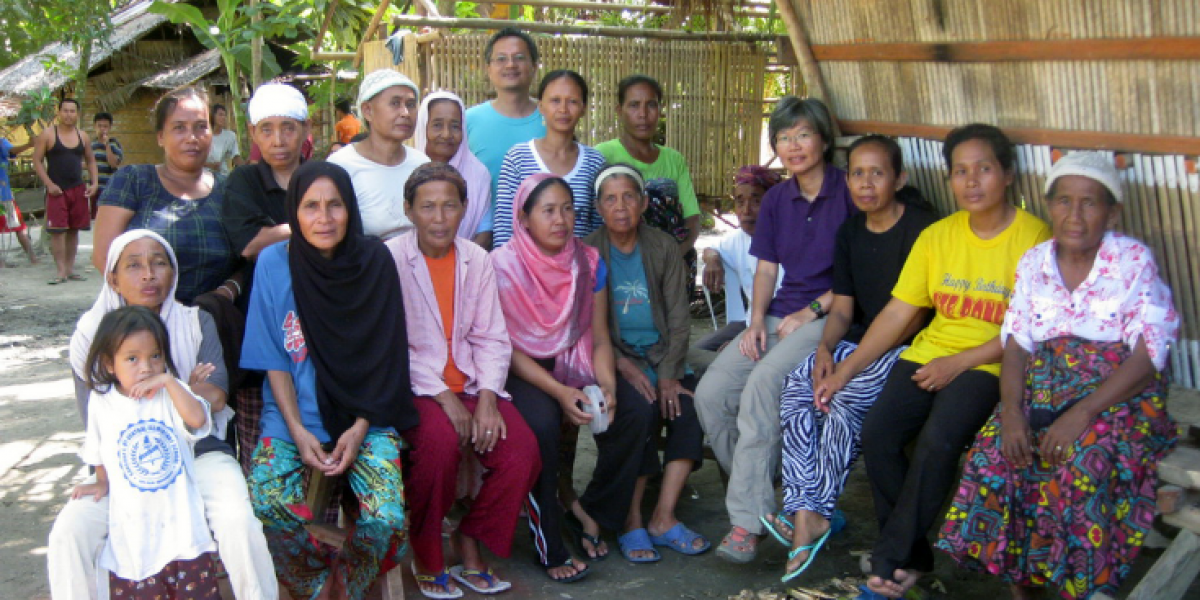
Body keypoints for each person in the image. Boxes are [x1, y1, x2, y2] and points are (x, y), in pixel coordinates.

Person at [811, 124, 1050, 598]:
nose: (972, 180)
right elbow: (899, 312)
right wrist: (846, 369)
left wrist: (959, 364)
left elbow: (1029, 329)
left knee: (938, 440)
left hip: (991, 362)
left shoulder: (1033, 238)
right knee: (878, 434)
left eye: (984, 168)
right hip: (928, 354)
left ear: (1007, 175)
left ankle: (889, 562)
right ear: (949, 179)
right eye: (960, 171)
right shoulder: (938, 235)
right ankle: (913, 556)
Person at [936, 152, 1179, 600]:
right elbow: (1017, 344)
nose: (1075, 214)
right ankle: (1024, 590)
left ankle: (1082, 588)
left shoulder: (1130, 261)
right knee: (997, 456)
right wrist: (1011, 413)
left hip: (1117, 396)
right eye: (1064, 201)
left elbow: (1147, 355)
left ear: (1112, 212)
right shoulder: (1034, 264)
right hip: (1043, 390)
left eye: (1090, 203)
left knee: (1080, 464)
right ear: (1049, 206)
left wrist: (1082, 414)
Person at [49, 229, 276, 600]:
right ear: (113, 277)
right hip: (127, 460)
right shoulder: (93, 335)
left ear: (173, 273)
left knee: (238, 521)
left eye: (159, 263)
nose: (148, 274)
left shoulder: (194, 322)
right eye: (134, 265)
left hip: (200, 451)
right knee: (69, 532)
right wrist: (183, 387)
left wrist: (166, 386)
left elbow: (215, 398)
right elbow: (99, 413)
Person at [763, 136, 937, 582]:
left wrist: (845, 369)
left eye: (877, 173)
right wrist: (824, 351)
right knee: (800, 388)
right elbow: (842, 306)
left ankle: (813, 513)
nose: (865, 183)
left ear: (899, 178)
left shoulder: (922, 229)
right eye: (857, 173)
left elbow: (912, 316)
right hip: (854, 342)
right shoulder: (851, 231)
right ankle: (806, 510)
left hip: (905, 347)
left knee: (843, 401)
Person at [242, 161, 414, 599]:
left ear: (350, 209)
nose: (324, 218)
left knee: (387, 519)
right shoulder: (273, 264)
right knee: (266, 504)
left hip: (366, 413)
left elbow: (385, 353)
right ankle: (317, 583)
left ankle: (348, 583)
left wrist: (358, 429)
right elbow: (274, 358)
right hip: (293, 415)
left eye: (335, 205)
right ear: (293, 213)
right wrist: (298, 431)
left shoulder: (373, 260)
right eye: (310, 206)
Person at [694, 96, 855, 563]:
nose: (794, 145)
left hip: (828, 316)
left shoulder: (847, 192)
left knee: (762, 387)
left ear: (823, 138)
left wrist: (810, 310)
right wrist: (756, 320)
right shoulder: (779, 199)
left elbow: (857, 277)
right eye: (784, 137)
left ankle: (746, 523)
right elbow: (765, 268)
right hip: (779, 314)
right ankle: (779, 501)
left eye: (803, 134)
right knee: (712, 395)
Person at [387, 163, 540, 598]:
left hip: (474, 384)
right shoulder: (391, 258)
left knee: (522, 452)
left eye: (449, 206)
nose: (439, 218)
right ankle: (427, 550)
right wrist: (442, 397)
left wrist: (488, 399)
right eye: (428, 207)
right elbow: (392, 344)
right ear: (409, 211)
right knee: (437, 446)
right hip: (420, 388)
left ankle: (469, 538)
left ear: (465, 209)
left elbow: (492, 335)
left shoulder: (477, 259)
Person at [494, 173, 657, 580]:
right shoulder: (502, 266)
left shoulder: (587, 261)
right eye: (548, 210)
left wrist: (605, 384)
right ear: (524, 217)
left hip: (578, 358)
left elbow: (600, 336)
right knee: (544, 425)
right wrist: (560, 392)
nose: (560, 220)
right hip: (526, 369)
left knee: (635, 409)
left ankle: (593, 510)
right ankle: (549, 541)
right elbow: (508, 351)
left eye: (567, 209)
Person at [583, 164, 711, 560]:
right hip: (615, 359)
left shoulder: (663, 247)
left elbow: (679, 318)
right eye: (610, 199)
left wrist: (670, 375)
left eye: (628, 197)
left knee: (687, 408)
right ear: (599, 208)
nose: (620, 207)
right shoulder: (589, 253)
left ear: (642, 203)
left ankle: (663, 516)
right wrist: (621, 363)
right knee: (637, 410)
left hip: (661, 355)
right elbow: (589, 327)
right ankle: (631, 519)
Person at [72, 305, 219, 598]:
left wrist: (169, 381)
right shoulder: (102, 403)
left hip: (184, 535)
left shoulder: (170, 394)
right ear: (109, 364)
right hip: (134, 540)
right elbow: (97, 449)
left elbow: (198, 419)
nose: (146, 367)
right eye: (132, 359)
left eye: (155, 356)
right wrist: (101, 480)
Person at [221, 82, 311, 471]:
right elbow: (249, 244)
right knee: (261, 438)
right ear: (254, 133)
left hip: (313, 317)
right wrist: (307, 224)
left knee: (314, 425)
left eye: (289, 128)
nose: (279, 139)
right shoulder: (244, 182)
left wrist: (284, 228)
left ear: (306, 132)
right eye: (268, 129)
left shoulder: (318, 175)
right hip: (259, 323)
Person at [94, 87, 241, 306]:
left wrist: (225, 294)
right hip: (145, 321)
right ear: (161, 136)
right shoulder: (133, 181)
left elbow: (248, 260)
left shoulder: (230, 190)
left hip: (214, 321)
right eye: (179, 128)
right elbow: (104, 257)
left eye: (201, 127)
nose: (192, 138)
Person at [493, 70, 606, 247]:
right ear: (541, 106)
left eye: (573, 101)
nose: (563, 109)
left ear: (583, 108)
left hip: (578, 270)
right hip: (524, 271)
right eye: (555, 100)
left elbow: (599, 230)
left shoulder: (594, 162)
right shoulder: (517, 158)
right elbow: (504, 229)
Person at [596, 74, 701, 257]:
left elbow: (692, 218)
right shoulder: (602, 156)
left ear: (660, 110)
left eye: (651, 105)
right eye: (634, 105)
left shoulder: (674, 160)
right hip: (620, 262)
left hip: (674, 260)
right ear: (619, 111)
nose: (643, 114)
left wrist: (673, 260)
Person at [465, 27, 546, 248]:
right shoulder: (468, 120)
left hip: (544, 245)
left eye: (519, 58)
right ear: (488, 69)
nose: (510, 64)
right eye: (501, 59)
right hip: (482, 243)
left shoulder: (552, 119)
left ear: (534, 66)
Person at [328, 69, 430, 240]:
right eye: (395, 103)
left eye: (411, 104)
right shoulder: (341, 166)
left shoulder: (421, 164)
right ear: (368, 111)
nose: (405, 112)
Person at [695, 165, 784, 352]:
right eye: (740, 201)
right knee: (695, 354)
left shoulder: (789, 239)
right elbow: (713, 248)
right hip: (750, 323)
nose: (746, 210)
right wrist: (712, 259)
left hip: (782, 327)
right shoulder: (739, 239)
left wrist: (740, 342)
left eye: (756, 201)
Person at [33, 97, 98, 284]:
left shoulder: (82, 136)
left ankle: (70, 269)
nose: (68, 114)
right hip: (57, 191)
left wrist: (94, 183)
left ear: (77, 114)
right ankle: (60, 271)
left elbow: (91, 160)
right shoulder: (48, 134)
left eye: (72, 111)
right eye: (65, 111)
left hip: (78, 188)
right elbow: (36, 160)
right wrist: (48, 184)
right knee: (58, 231)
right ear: (59, 113)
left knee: (74, 230)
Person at [414, 91, 492, 246]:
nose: (446, 134)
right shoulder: (409, 167)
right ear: (424, 127)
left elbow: (484, 232)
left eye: (455, 126)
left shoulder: (478, 173)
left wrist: (462, 263)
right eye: (437, 125)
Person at [0, 135, 38, 267]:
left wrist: (28, 145)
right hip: (4, 195)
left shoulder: (1, 142)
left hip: (4, 195)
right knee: (19, 228)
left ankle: (32, 258)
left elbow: (12, 151)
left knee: (19, 228)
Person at [89, 112, 123, 219]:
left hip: (110, 188)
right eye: (99, 126)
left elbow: (113, 163)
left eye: (105, 126)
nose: (102, 129)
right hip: (95, 188)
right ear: (94, 126)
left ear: (110, 128)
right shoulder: (91, 144)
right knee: (96, 219)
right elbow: (88, 164)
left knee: (108, 218)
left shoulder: (114, 144)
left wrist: (107, 145)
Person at [205, 103, 241, 176]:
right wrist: (210, 165)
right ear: (212, 116)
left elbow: (235, 156)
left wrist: (246, 167)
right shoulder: (203, 135)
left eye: (225, 115)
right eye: (220, 115)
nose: (224, 117)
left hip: (222, 175)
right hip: (205, 175)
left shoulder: (230, 136)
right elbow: (194, 161)